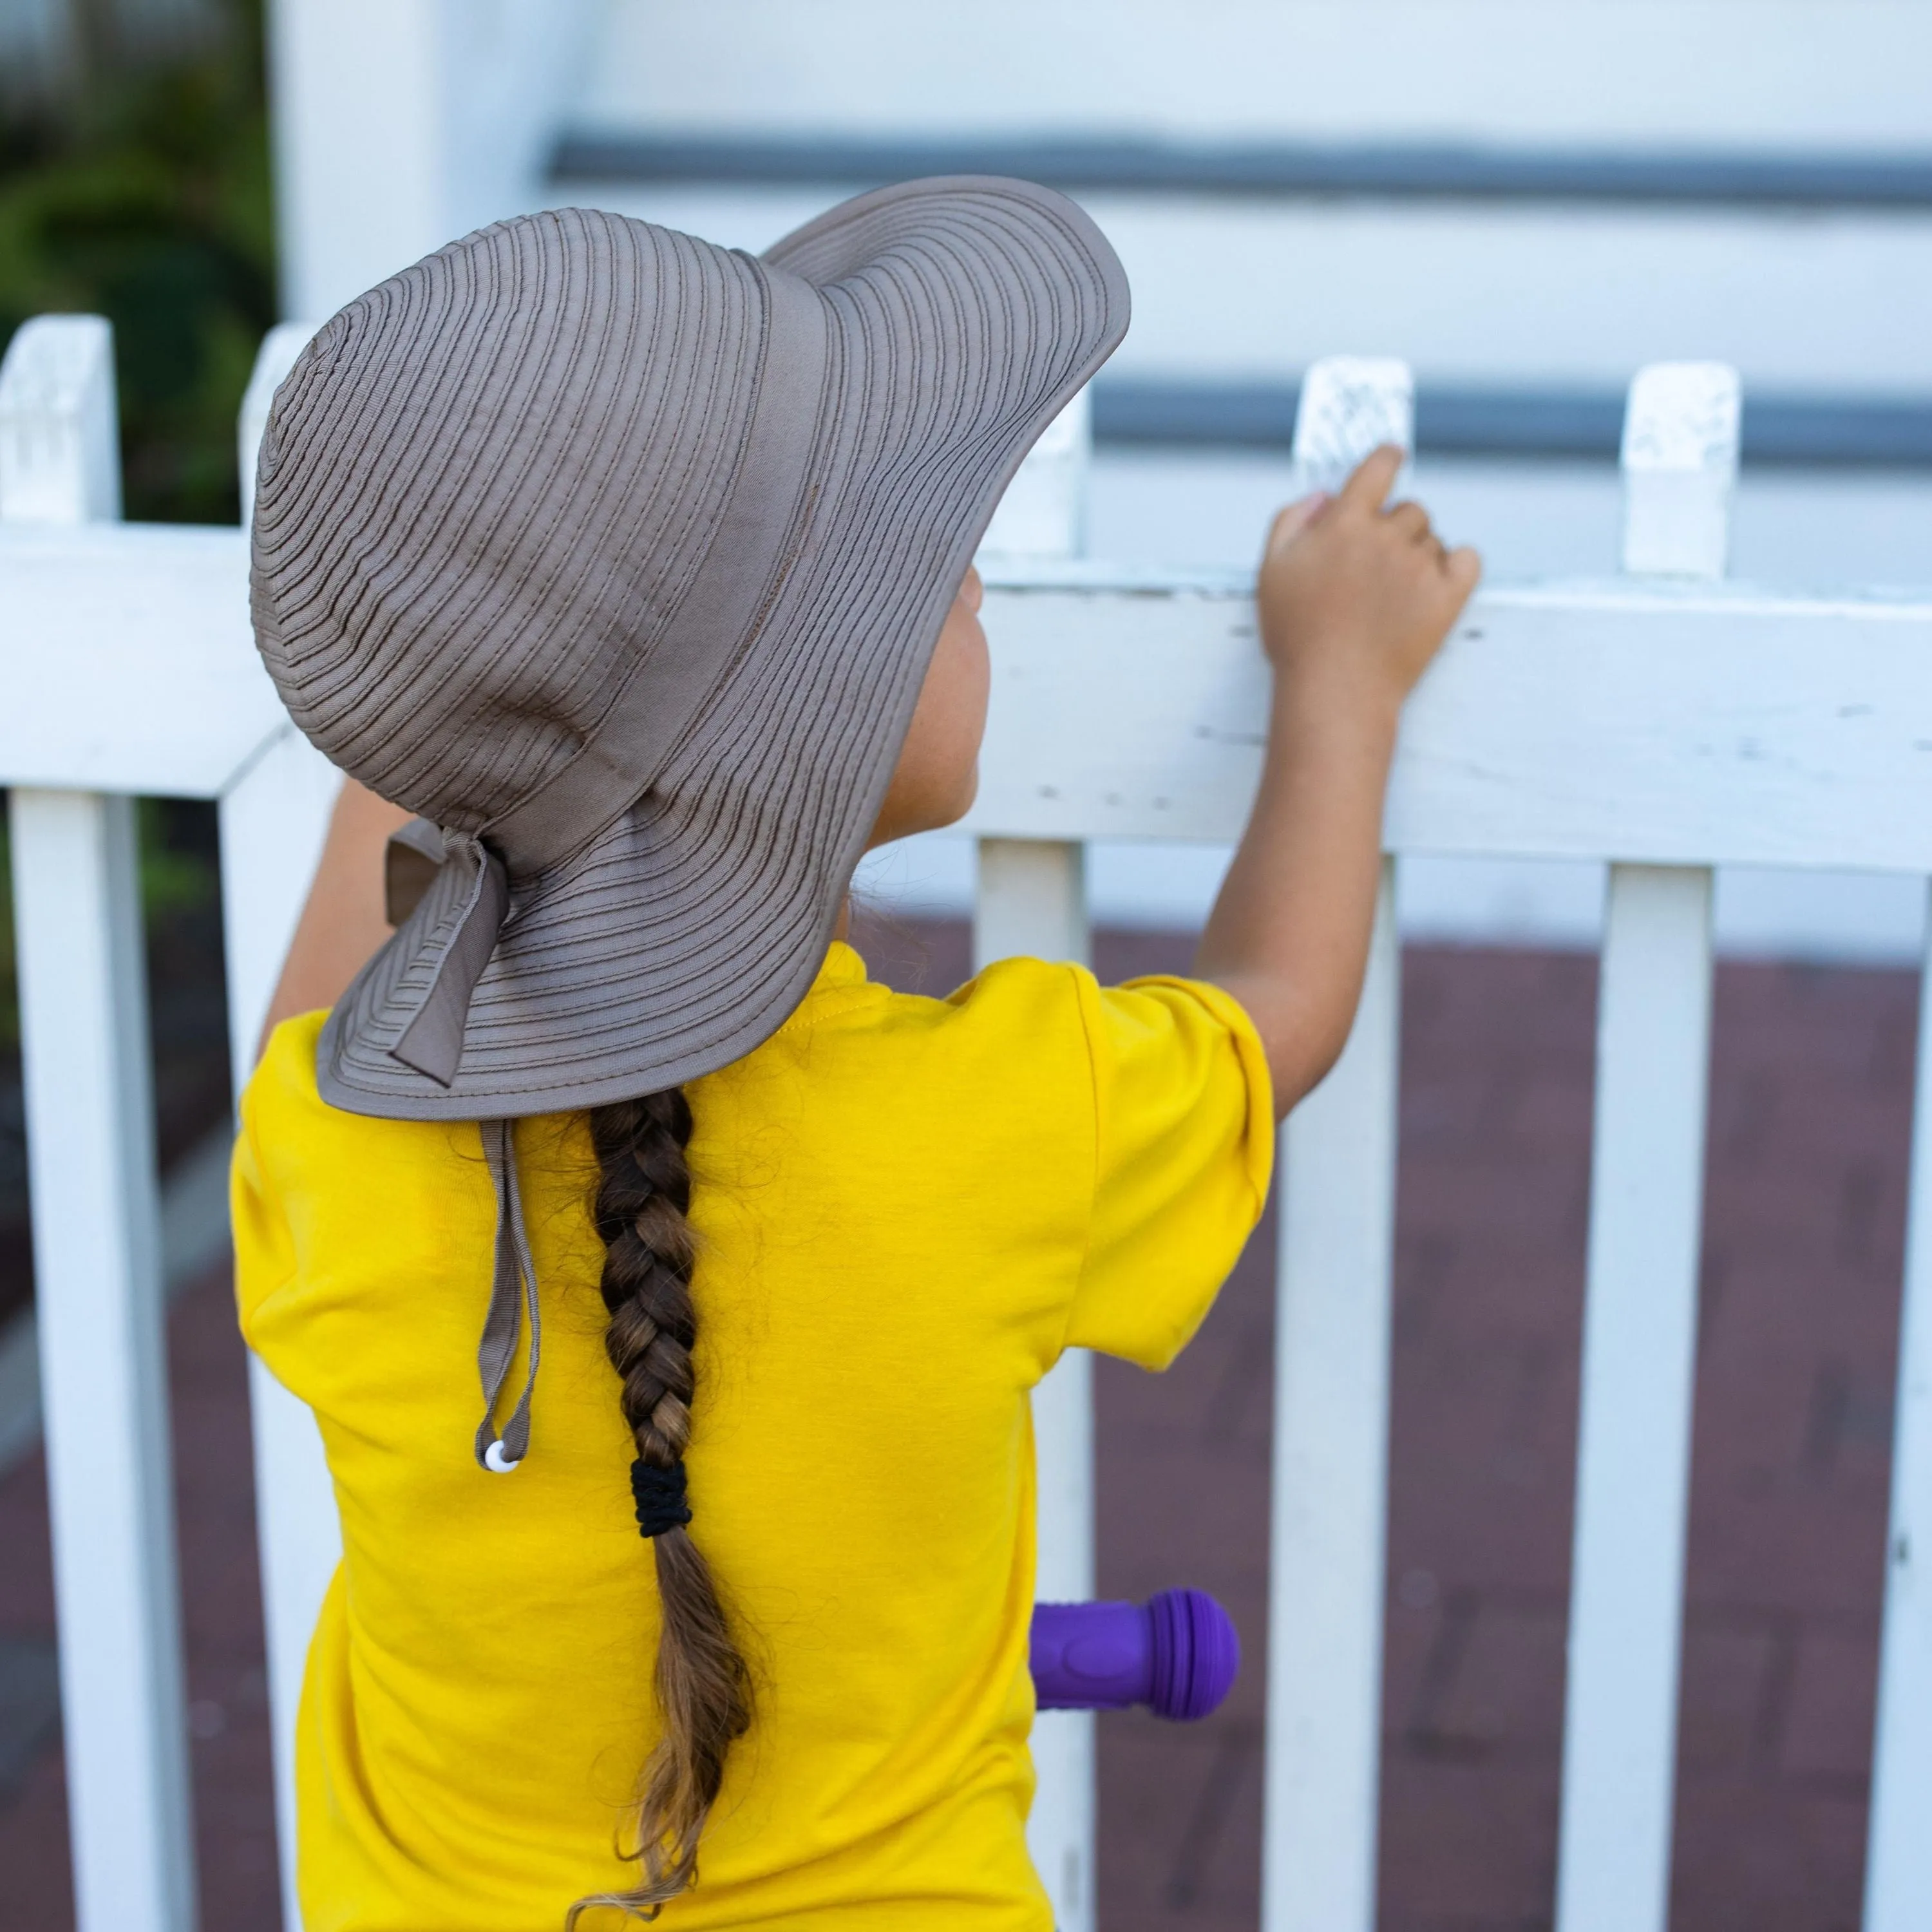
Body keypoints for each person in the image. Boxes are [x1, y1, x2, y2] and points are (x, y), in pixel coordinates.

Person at [233, 182, 1477, 1931]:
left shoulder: (329, 1154)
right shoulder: (997, 1125)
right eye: (908, 554)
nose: (963, 568)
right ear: (802, 724)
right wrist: (1344, 675)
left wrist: (466, 690)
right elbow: (1281, 1008)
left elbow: (324, 1009)